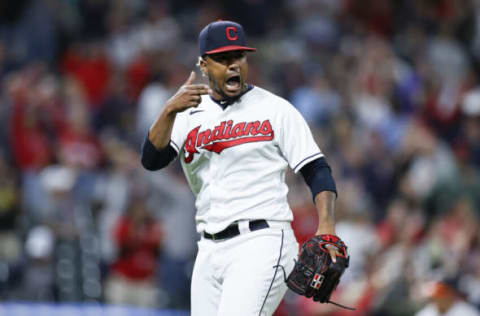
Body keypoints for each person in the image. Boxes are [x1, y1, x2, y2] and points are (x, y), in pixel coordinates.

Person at [141, 20, 344, 316]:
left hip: (262, 241)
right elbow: (151, 160)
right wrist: (169, 110)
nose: (234, 65)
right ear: (203, 65)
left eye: (239, 57)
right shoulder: (187, 113)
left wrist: (326, 224)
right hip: (209, 249)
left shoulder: (276, 109)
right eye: (223, 59)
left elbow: (316, 169)